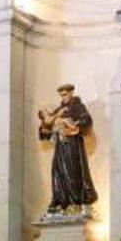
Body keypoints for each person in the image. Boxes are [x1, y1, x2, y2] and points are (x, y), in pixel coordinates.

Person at [38, 84, 98, 216]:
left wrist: (76, 125)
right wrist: (45, 126)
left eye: (65, 94)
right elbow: (46, 128)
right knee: (57, 173)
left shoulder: (78, 107)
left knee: (72, 172)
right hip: (60, 147)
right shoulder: (58, 109)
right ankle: (61, 202)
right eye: (61, 95)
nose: (63, 97)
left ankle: (74, 202)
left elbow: (86, 120)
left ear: (71, 93)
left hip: (72, 145)